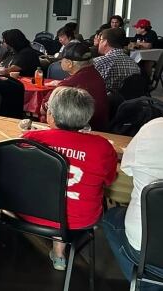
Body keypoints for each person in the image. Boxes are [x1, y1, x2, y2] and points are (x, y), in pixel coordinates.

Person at [21, 87, 117, 270]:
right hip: (81, 218)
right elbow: (110, 180)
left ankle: (56, 250)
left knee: (51, 197)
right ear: (86, 118)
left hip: (28, 212)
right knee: (64, 206)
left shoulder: (31, 138)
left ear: (51, 114)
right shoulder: (103, 147)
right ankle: (59, 253)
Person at [103, 118, 163, 290]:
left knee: (110, 218)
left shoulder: (152, 128)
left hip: (143, 245)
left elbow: (126, 169)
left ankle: (146, 284)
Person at [40, 42, 109, 130]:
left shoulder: (68, 85)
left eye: (62, 60)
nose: (60, 62)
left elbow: (43, 110)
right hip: (99, 126)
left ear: (69, 63)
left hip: (79, 131)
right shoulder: (95, 74)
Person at [94, 28, 140, 93]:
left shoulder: (99, 62)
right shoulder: (134, 63)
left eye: (100, 39)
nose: (98, 42)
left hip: (107, 100)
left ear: (105, 42)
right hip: (131, 101)